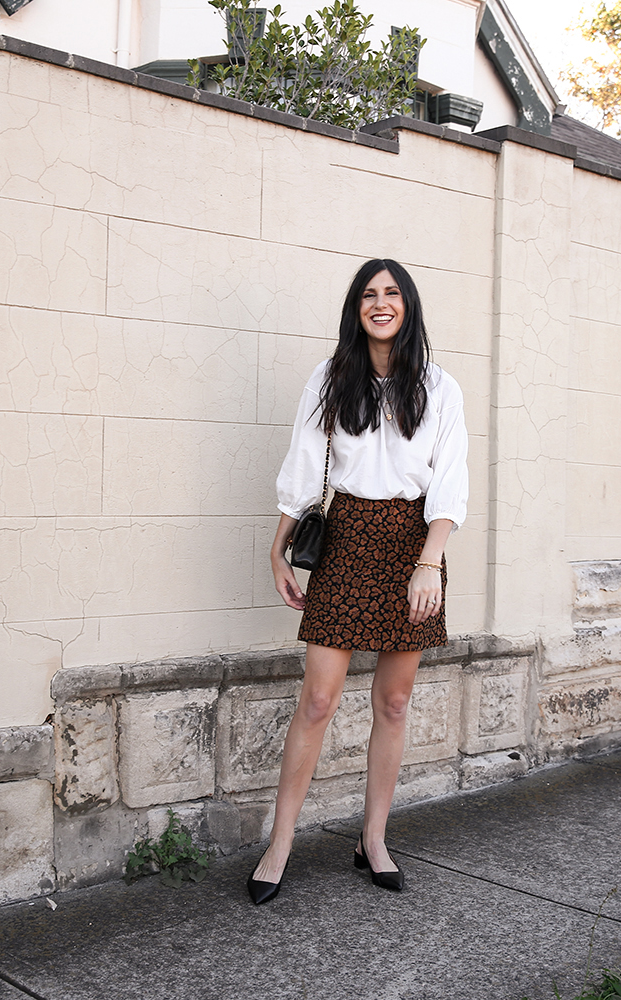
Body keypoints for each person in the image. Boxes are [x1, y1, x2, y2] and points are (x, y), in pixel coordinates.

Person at [247, 258, 469, 904]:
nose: (380, 303)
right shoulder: (332, 377)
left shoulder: (440, 388)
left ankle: (373, 839)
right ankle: (280, 842)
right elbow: (304, 462)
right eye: (369, 294)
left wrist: (430, 561)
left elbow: (450, 482)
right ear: (358, 308)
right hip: (345, 541)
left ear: (408, 306)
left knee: (393, 703)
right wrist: (278, 547)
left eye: (391, 293)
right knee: (318, 699)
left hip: (413, 547)